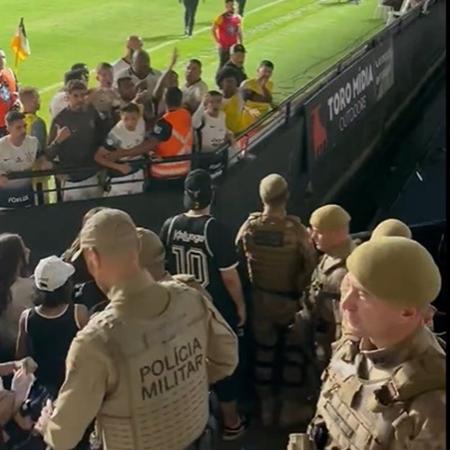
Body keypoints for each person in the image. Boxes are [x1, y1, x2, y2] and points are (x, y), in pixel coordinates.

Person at [34, 207, 238, 450]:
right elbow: (227, 358)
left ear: (92, 259)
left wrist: (48, 425)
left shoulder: (96, 341)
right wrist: (183, 384)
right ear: (137, 249)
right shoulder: (190, 298)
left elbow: (63, 437)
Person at [300, 237, 446, 450]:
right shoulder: (352, 345)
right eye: (349, 285)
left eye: (363, 295)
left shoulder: (432, 408)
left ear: (407, 311)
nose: (346, 303)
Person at [160, 169, 248, 440]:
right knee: (222, 364)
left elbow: (162, 270)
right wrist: (241, 307)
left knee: (186, 365)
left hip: (181, 311)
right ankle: (231, 423)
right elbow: (230, 278)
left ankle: (194, 424)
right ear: (211, 195)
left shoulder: (169, 226)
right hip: (214, 310)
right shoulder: (216, 229)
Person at [236, 174, 317, 427]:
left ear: (262, 197)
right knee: (292, 356)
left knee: (264, 356)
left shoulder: (249, 228)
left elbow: (237, 254)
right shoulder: (296, 230)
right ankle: (287, 410)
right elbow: (310, 264)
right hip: (289, 304)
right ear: (286, 197)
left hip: (260, 302)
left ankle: (266, 408)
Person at [16, 256, 89, 397]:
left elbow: (20, 356)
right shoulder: (79, 313)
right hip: (74, 386)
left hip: (41, 390)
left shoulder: (26, 317)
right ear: (66, 285)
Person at [301, 204, 356, 370]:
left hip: (330, 345)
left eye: (318, 231)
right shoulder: (328, 257)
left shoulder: (344, 272)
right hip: (318, 336)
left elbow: (346, 324)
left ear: (336, 233)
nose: (312, 236)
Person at [46, 79, 107, 202]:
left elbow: (102, 136)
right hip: (72, 180)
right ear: (67, 97)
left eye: (83, 95)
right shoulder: (60, 120)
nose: (80, 99)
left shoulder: (91, 112)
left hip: (92, 175)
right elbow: (48, 154)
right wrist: (58, 141)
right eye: (76, 96)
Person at [0, 111, 51, 208]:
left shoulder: (33, 142)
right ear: (8, 128)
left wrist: (43, 162)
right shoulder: (1, 146)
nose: (23, 130)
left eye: (25, 126)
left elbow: (40, 156)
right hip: (4, 198)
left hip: (27, 194)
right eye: (18, 128)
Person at [95, 103, 146, 196]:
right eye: (126, 119)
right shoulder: (116, 135)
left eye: (133, 118)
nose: (130, 122)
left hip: (138, 172)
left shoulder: (141, 122)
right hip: (121, 178)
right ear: (121, 116)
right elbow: (98, 157)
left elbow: (140, 106)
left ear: (138, 116)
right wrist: (119, 167)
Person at [0, 234, 35, 363]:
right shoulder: (30, 288)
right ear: (17, 257)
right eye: (24, 248)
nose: (28, 250)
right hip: (26, 355)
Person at [19, 87, 57, 205]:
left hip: (20, 175)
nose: (39, 102)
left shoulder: (15, 122)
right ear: (30, 101)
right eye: (37, 98)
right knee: (41, 205)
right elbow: (39, 150)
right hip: (37, 174)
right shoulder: (37, 122)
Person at [192, 90, 235, 178]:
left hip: (219, 155)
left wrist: (229, 134)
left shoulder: (223, 115)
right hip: (204, 158)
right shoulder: (203, 117)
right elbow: (194, 123)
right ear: (207, 103)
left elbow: (223, 128)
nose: (215, 104)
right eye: (211, 102)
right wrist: (202, 105)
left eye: (218, 101)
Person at [218, 69, 256, 135]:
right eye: (229, 81)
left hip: (240, 132)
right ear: (221, 82)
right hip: (223, 133)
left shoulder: (241, 94)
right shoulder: (216, 97)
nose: (232, 85)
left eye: (234, 82)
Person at [212, 0, 244, 69]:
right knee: (223, 66)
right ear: (226, 6)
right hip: (224, 47)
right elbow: (213, 30)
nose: (233, 7)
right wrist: (218, 42)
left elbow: (239, 32)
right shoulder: (221, 17)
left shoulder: (237, 18)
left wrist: (241, 43)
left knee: (236, 66)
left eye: (234, 5)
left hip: (234, 48)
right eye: (231, 5)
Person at [0, 49, 19, 138]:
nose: (1, 60)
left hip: (10, 122)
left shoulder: (10, 73)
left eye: (3, 57)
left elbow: (17, 89)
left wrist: (17, 100)